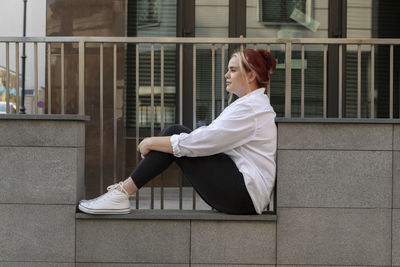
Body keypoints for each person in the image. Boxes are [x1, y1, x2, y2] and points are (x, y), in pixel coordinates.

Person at [78, 48, 277, 215]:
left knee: (175, 133)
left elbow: (206, 141)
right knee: (176, 136)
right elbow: (209, 140)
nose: (226, 75)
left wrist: (152, 142)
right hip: (244, 193)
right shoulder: (251, 105)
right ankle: (121, 193)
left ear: (251, 75)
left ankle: (122, 193)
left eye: (232, 70)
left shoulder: (251, 108)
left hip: (244, 194)